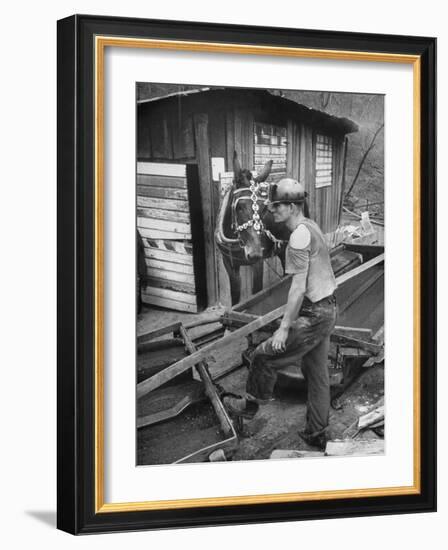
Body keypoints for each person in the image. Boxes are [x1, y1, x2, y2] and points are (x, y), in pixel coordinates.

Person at [224, 178, 338, 449]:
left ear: (293, 206)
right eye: (270, 205)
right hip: (328, 308)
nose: (271, 210)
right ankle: (316, 432)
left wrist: (284, 327)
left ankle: (249, 406)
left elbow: (298, 288)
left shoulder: (299, 236)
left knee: (262, 356)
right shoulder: (310, 226)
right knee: (317, 374)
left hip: (314, 314)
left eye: (276, 206)